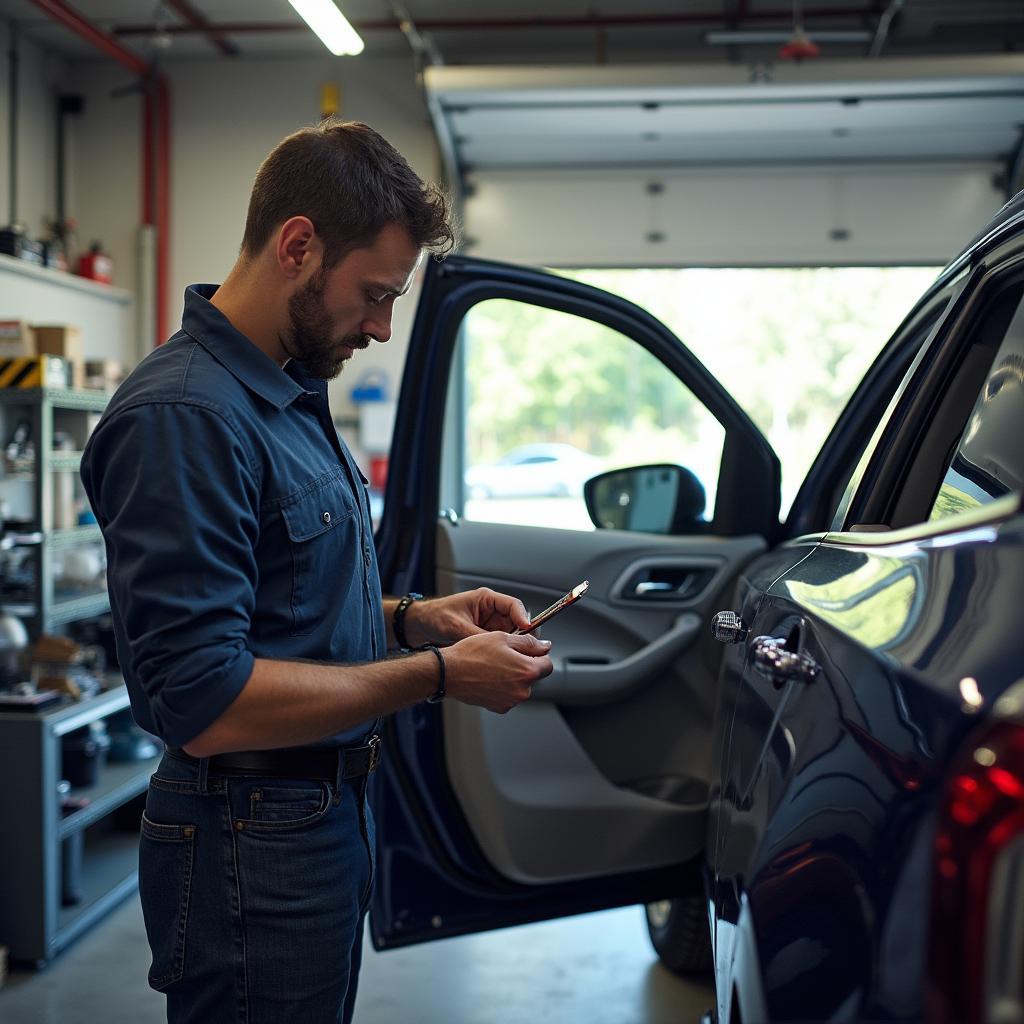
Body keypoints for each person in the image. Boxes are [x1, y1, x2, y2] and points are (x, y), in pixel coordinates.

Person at [80, 120, 554, 1024]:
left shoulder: (287, 393)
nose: (380, 327)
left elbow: (279, 606)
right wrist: (441, 676)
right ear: (298, 246)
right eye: (375, 295)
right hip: (248, 840)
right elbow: (206, 701)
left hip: (310, 821)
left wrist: (416, 619)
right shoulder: (186, 418)